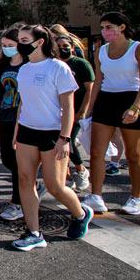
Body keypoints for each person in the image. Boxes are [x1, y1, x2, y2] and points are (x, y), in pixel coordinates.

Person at [10, 25, 93, 250]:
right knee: (25, 180)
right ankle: (34, 233)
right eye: (19, 39)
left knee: (55, 186)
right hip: (27, 131)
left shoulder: (59, 68)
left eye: (24, 39)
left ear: (39, 42)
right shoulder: (25, 69)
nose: (20, 43)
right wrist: (17, 132)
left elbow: (68, 107)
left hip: (53, 133)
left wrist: (65, 139)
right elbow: (23, 104)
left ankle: (80, 213)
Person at [83, 13, 140, 215]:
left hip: (131, 99)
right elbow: (98, 80)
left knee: (133, 154)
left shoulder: (138, 48)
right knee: (97, 152)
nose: (105, 31)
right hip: (106, 99)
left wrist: (135, 107)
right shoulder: (101, 51)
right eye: (103, 27)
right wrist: (89, 108)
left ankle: (136, 199)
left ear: (122, 27)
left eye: (109, 27)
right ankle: (95, 196)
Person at [0, 26, 25, 221]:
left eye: (11, 45)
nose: (7, 48)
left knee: (18, 163)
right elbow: (0, 91)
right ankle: (30, 187)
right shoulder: (4, 64)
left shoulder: (29, 64)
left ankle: (18, 202)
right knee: (7, 160)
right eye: (4, 45)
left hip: (24, 119)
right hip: (6, 115)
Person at [55, 35, 94, 192]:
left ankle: (80, 169)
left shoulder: (81, 64)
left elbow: (89, 89)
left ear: (71, 47)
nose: (62, 48)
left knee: (68, 142)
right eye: (58, 46)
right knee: (57, 145)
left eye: (65, 45)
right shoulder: (54, 64)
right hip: (57, 111)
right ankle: (66, 176)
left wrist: (83, 110)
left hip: (75, 111)